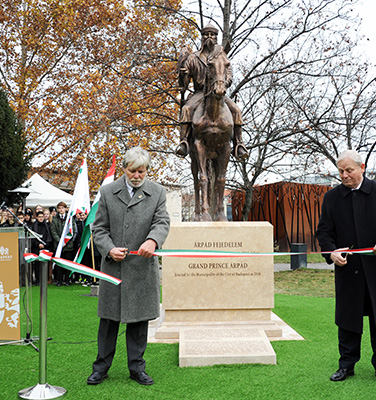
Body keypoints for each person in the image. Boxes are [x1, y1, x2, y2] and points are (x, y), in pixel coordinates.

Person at [315, 150, 376, 384]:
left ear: (362, 167)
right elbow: (324, 232)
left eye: (349, 170)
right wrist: (331, 251)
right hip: (348, 270)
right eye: (340, 171)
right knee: (348, 320)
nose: (344, 175)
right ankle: (346, 365)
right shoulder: (332, 198)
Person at [87, 147, 170, 387]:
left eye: (141, 171)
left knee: (139, 322)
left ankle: (137, 368)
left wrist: (153, 240)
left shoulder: (157, 192)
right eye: (132, 170)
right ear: (124, 169)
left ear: (147, 171)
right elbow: (98, 228)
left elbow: (162, 221)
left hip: (141, 269)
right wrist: (109, 248)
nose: (137, 175)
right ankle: (100, 368)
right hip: (113, 269)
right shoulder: (108, 191)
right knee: (108, 321)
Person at [176, 24, 248, 160]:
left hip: (218, 91)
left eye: (212, 34)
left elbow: (229, 75)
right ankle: (184, 141)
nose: (209, 37)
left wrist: (222, 84)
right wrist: (184, 75)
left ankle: (239, 144)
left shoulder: (222, 56)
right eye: (206, 34)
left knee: (237, 111)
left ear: (216, 37)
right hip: (199, 93)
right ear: (201, 38)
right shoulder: (193, 58)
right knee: (186, 109)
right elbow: (184, 84)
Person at [50, 201, 76, 286]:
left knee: (67, 263)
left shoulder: (70, 218)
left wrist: (66, 241)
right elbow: (53, 231)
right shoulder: (54, 219)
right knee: (59, 264)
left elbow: (73, 231)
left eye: (62, 208)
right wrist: (60, 241)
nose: (61, 210)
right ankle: (59, 280)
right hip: (58, 245)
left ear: (65, 208)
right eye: (59, 208)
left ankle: (67, 280)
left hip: (68, 246)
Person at [30, 210, 53, 284]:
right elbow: (32, 237)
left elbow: (49, 236)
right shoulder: (34, 226)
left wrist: (45, 244)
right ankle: (37, 279)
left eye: (42, 217)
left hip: (46, 247)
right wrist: (38, 244)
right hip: (36, 247)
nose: (41, 218)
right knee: (37, 265)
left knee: (45, 263)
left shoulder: (47, 225)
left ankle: (45, 279)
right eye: (39, 217)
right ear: (36, 217)